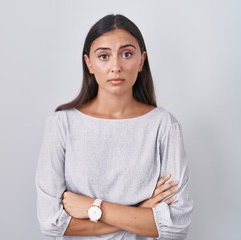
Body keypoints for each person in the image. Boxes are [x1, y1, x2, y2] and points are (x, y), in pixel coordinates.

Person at [35, 14, 193, 239]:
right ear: (89, 63)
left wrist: (93, 207)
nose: (116, 66)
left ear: (141, 61)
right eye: (104, 56)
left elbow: (175, 226)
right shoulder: (61, 124)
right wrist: (141, 212)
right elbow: (52, 224)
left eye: (127, 54)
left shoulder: (164, 125)